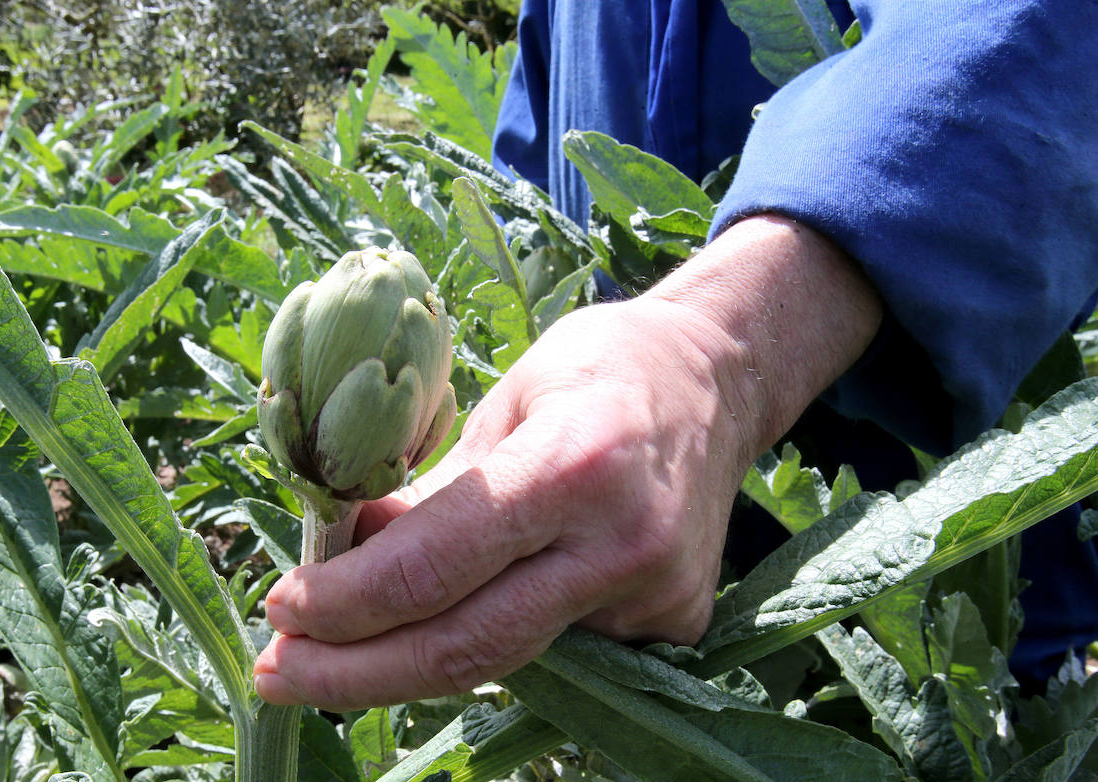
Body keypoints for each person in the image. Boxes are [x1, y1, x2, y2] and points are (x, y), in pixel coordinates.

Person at [253, 0, 1098, 710]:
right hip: (600, 611)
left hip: (938, 615)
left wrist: (720, 351)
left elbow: (1045, 34)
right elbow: (534, 149)